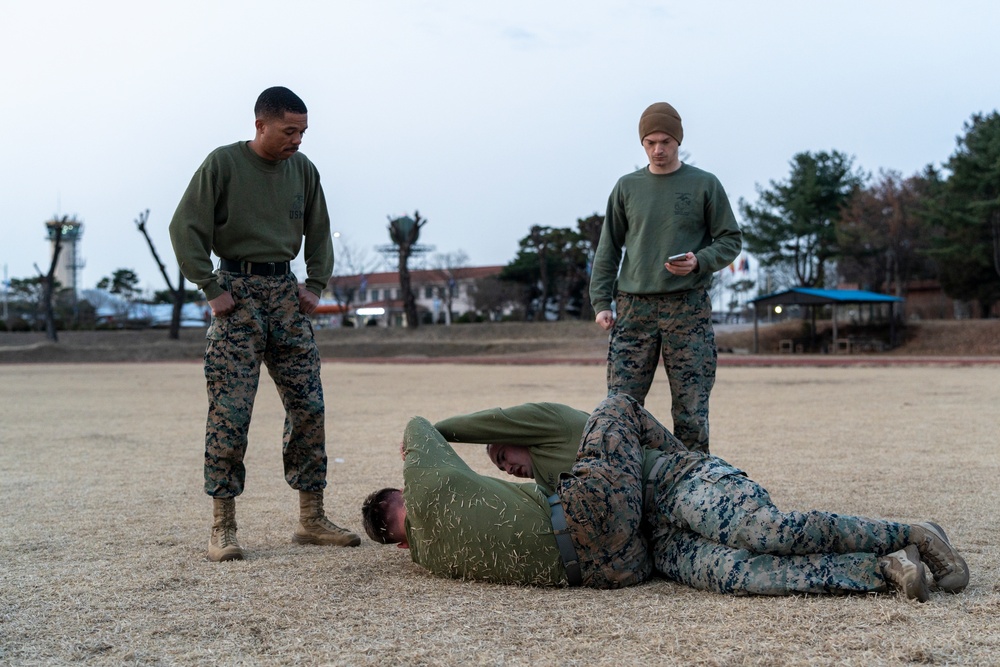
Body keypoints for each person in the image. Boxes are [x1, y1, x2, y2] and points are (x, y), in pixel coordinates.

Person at [419, 401, 970, 600]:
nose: (503, 464)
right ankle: (885, 569)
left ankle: (911, 531)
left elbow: (484, 421)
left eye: (502, 454)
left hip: (680, 483)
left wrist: (431, 434)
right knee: (745, 575)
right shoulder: (551, 487)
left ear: (520, 434)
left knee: (766, 532)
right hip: (660, 541)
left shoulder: (562, 423)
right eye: (497, 467)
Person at [169, 86, 360, 562]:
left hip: (286, 297)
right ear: (260, 125)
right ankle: (223, 525)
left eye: (303, 132)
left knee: (309, 406)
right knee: (231, 413)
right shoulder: (224, 164)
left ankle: (310, 518)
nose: (297, 140)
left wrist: (315, 284)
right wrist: (211, 289)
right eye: (288, 131)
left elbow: (318, 230)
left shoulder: (303, 170)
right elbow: (184, 227)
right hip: (237, 297)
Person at [589, 102, 743, 453]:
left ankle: (694, 490)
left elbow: (730, 239)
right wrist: (601, 301)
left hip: (686, 308)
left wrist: (699, 261)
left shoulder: (704, 184)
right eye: (650, 142)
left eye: (665, 142)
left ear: (678, 141)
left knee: (691, 410)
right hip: (633, 309)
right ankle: (620, 482)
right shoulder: (627, 187)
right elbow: (608, 247)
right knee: (620, 408)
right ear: (642, 144)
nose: (658, 150)